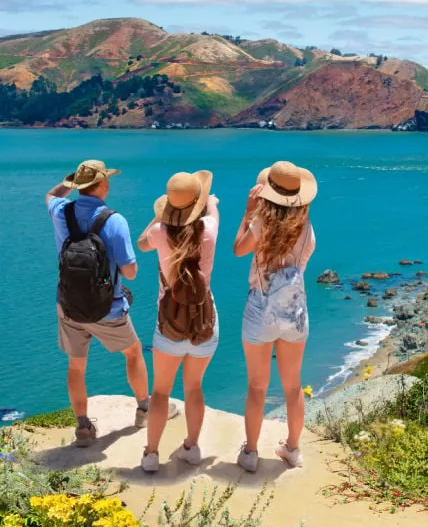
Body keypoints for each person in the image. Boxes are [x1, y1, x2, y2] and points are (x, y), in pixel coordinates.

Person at [46, 159, 160, 447]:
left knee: (76, 367)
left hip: (69, 306)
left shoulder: (62, 210)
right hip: (108, 308)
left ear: (78, 186)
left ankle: (83, 428)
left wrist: (68, 182)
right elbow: (131, 273)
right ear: (104, 184)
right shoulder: (114, 220)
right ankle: (144, 410)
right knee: (134, 352)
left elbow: (50, 195)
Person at [233, 161, 317, 471]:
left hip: (260, 310)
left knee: (257, 386)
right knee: (293, 386)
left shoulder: (260, 225)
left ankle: (251, 453)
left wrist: (248, 211)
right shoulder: (307, 229)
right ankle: (293, 449)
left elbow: (238, 250)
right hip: (294, 311)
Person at [136, 171, 220, 473]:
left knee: (160, 391)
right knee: (194, 387)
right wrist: (207, 202)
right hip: (203, 322)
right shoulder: (210, 227)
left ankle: (151, 454)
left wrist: (158, 215)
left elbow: (142, 243)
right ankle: (191, 448)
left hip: (169, 324)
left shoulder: (159, 231)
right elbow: (212, 208)